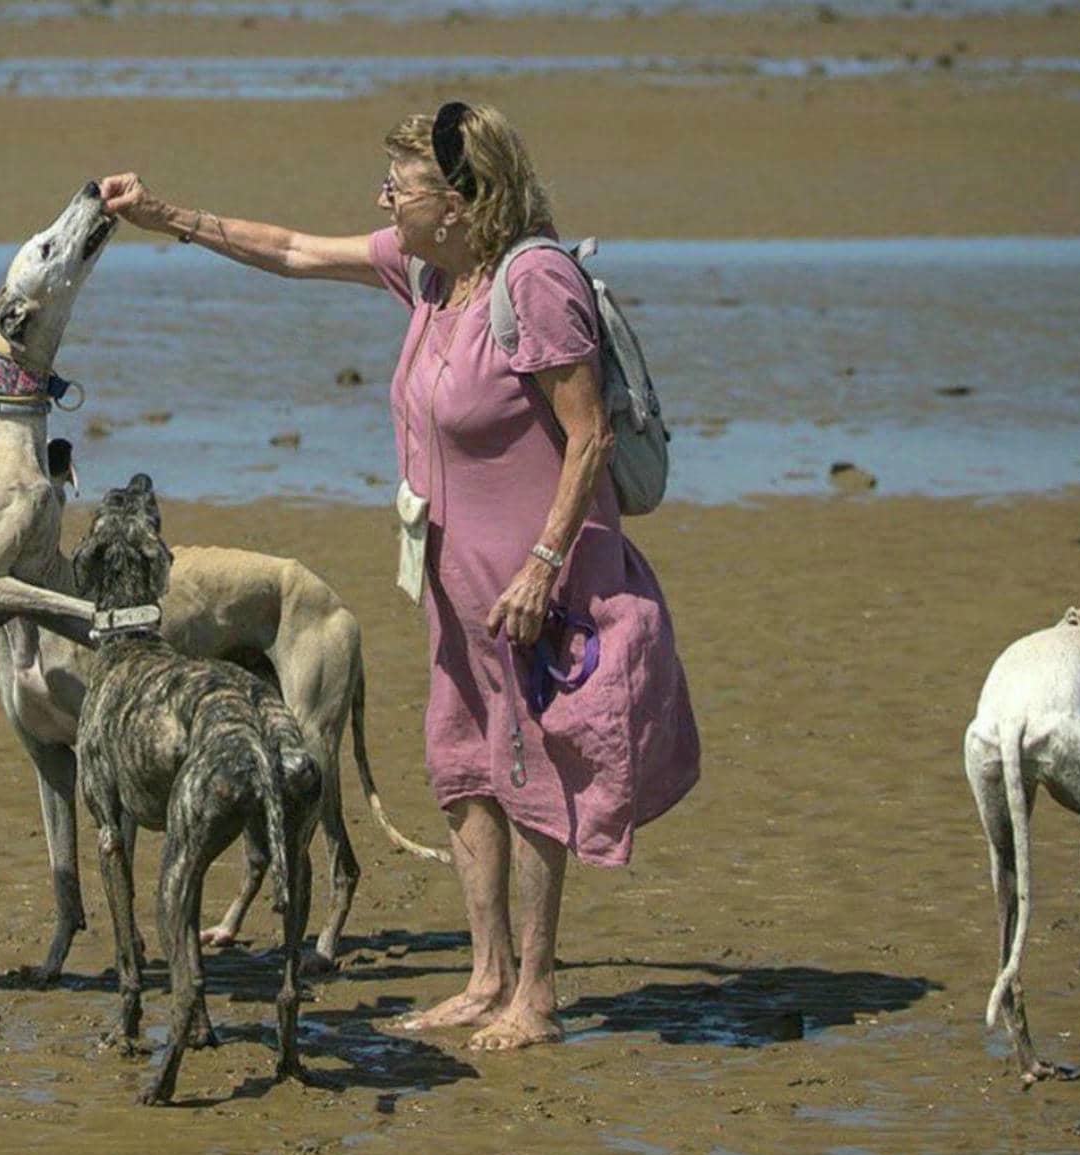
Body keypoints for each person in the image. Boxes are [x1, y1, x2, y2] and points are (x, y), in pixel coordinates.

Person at [98, 100, 699, 1051]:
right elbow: (292, 249)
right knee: (464, 771)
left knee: (536, 776)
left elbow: (587, 437)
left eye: (401, 185)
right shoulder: (428, 274)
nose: (385, 198)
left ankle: (535, 997)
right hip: (456, 590)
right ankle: (484, 976)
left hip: (541, 585)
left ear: (463, 200)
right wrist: (166, 216)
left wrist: (544, 564)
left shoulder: (531, 284)